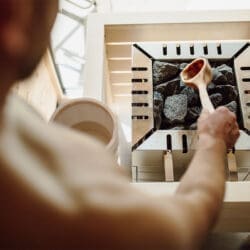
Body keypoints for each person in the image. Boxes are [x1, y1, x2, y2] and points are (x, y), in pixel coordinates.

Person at [0, 1, 240, 249]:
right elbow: (185, 225)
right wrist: (213, 139)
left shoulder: (9, 102)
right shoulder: (66, 213)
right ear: (13, 14)